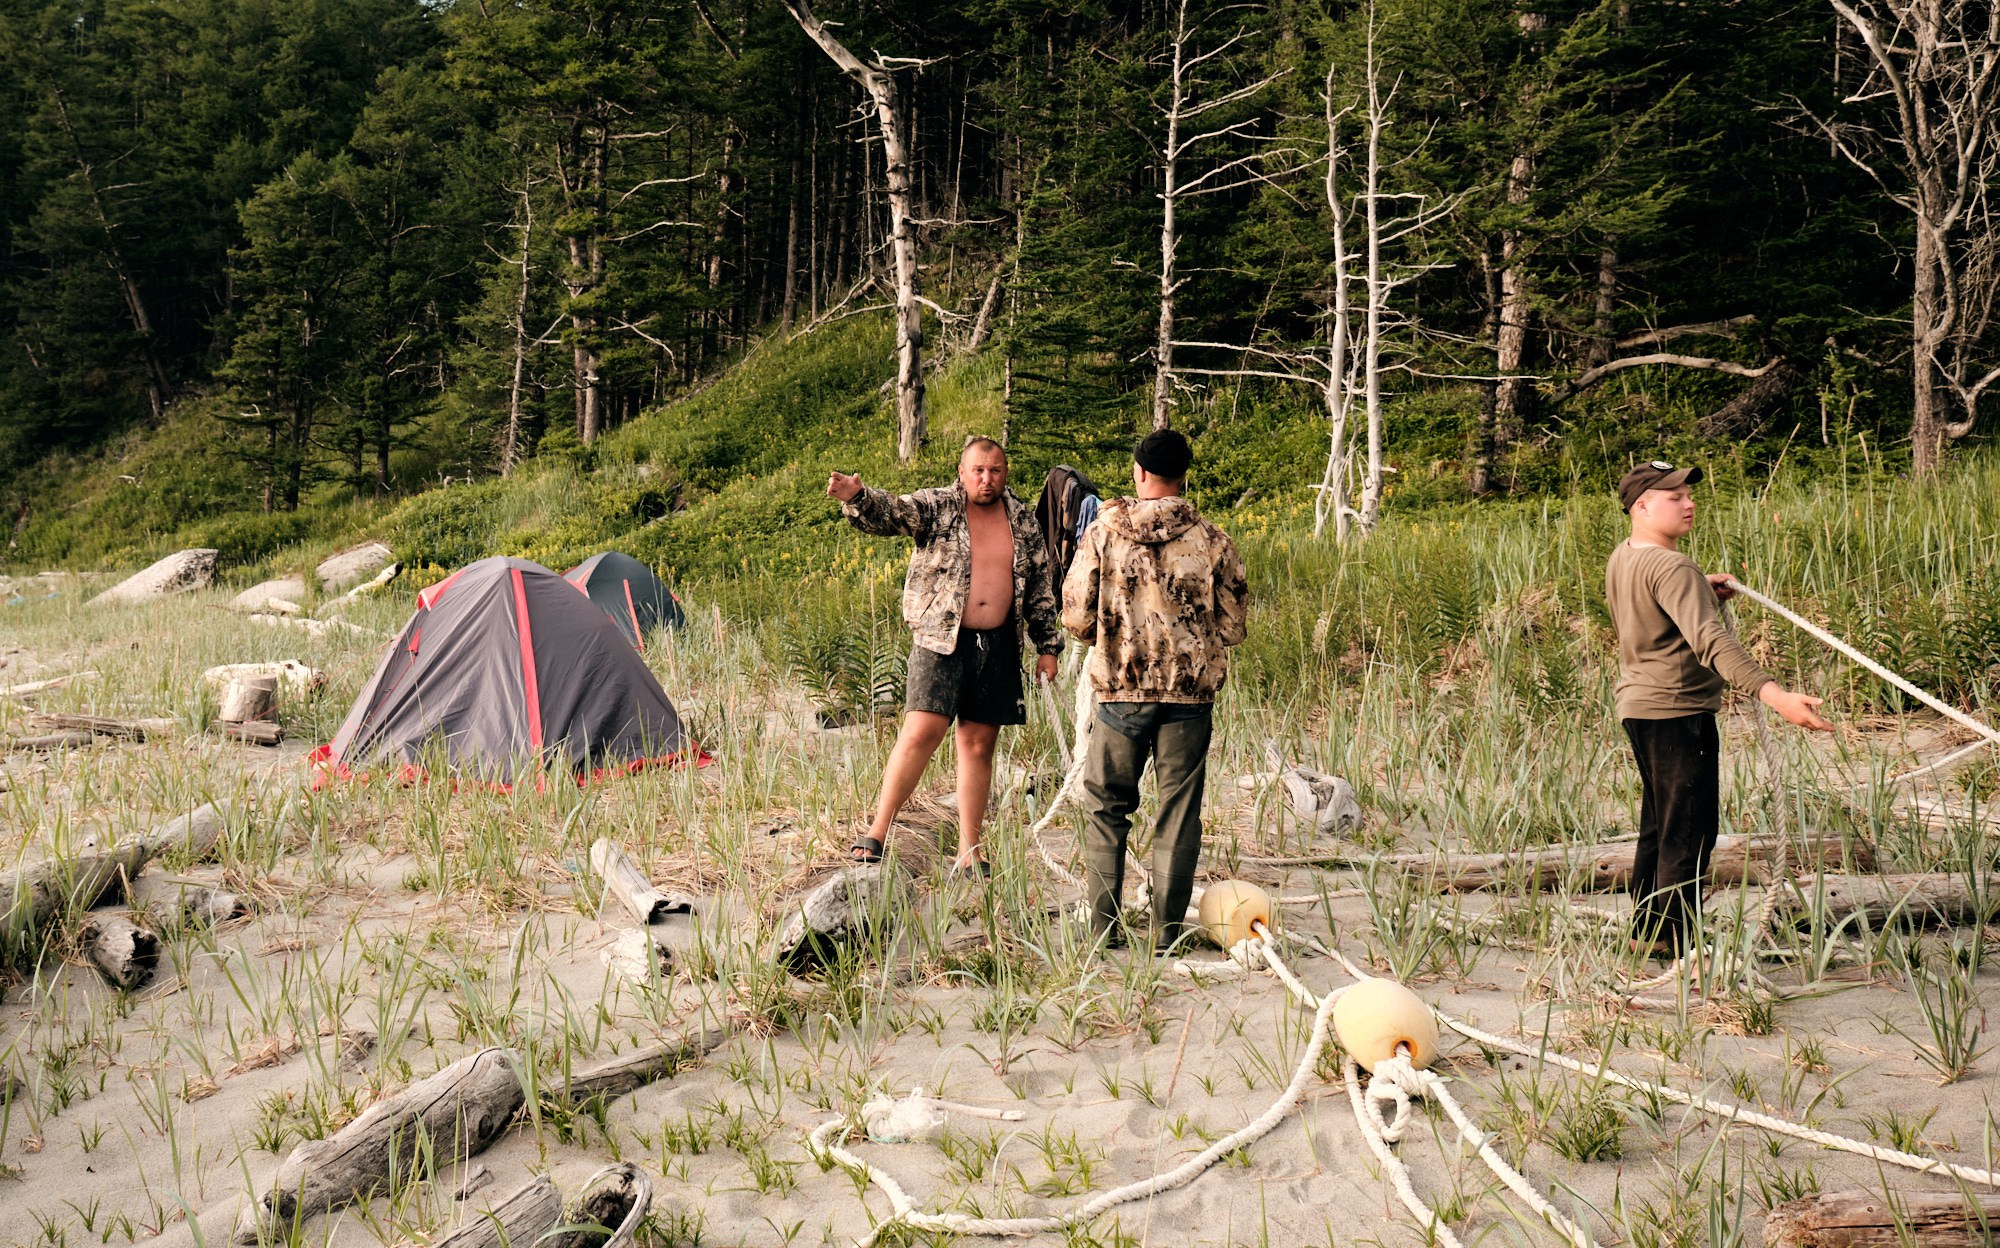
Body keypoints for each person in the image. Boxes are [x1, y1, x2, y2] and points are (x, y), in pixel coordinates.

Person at [1608, 460, 1833, 958]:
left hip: (1640, 707)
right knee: (1689, 832)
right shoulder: (1673, 567)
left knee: (1661, 825)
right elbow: (1713, 643)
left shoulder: (1627, 556)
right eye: (1675, 497)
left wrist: (1695, 590)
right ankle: (1680, 949)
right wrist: (1775, 695)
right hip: (1677, 712)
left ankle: (1650, 935)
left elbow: (1654, 604)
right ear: (1642, 506)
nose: (1689, 503)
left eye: (1688, 494)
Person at [828, 438, 1063, 874]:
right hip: (940, 640)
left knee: (978, 745)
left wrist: (1048, 647)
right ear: (962, 471)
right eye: (977, 470)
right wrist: (858, 497)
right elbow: (891, 513)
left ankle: (970, 850)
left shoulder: (1023, 521)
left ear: (1005, 473)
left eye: (994, 471)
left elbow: (1040, 589)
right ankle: (878, 830)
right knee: (921, 732)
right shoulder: (938, 506)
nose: (986, 479)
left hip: (997, 647)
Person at [1061, 429, 1249, 950]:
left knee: (1105, 807)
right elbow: (1234, 627)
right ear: (1184, 476)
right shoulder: (1213, 540)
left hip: (1121, 693)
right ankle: (1167, 933)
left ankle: (1103, 931)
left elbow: (1075, 618)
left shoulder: (1102, 534)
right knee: (1179, 810)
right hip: (1189, 697)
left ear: (1138, 473)